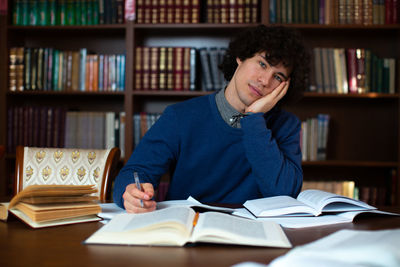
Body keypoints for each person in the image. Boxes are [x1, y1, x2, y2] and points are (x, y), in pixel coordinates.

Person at [113, 24, 311, 213]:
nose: (265, 81)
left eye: (278, 77)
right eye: (262, 64)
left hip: (253, 236)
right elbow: (137, 170)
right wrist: (131, 192)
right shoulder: (180, 116)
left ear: (285, 87)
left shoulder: (287, 126)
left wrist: (254, 119)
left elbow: (284, 195)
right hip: (187, 230)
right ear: (241, 57)